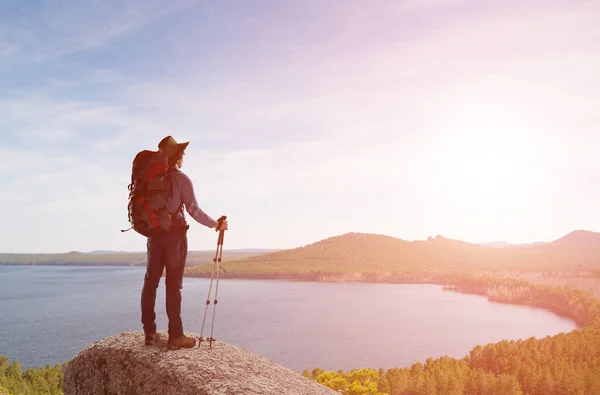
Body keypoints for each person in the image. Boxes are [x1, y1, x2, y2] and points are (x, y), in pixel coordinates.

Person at [141, 135, 228, 350]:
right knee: (173, 286)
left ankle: (150, 333)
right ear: (177, 157)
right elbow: (193, 210)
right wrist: (215, 224)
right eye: (182, 154)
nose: (184, 157)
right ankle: (175, 336)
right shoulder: (180, 179)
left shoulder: (149, 178)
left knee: (150, 282)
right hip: (174, 238)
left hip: (153, 237)